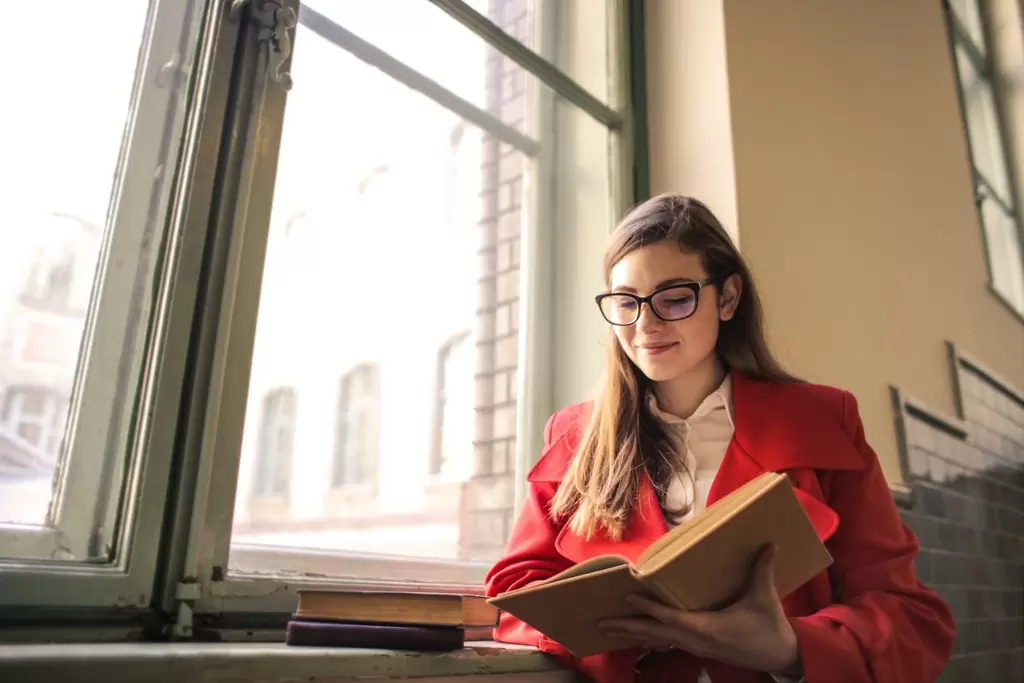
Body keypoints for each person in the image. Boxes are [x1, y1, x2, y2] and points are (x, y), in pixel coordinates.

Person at [484, 194, 955, 683]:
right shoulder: (574, 435)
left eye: (675, 298)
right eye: (626, 301)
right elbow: (514, 595)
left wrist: (789, 648)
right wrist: (612, 634)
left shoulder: (824, 418)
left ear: (728, 298)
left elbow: (908, 618)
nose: (646, 323)